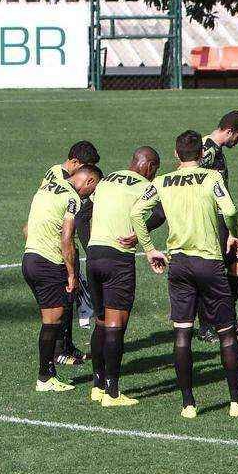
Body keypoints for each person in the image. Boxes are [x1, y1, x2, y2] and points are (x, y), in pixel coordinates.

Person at [135, 130, 238, 418]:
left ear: (176, 155)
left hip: (179, 265)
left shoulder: (162, 181)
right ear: (201, 154)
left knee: (183, 333)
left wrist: (150, 248)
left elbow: (137, 212)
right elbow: (230, 209)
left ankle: (188, 403)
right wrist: (234, 235)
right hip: (210, 264)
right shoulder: (212, 177)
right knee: (226, 332)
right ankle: (236, 402)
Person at [84, 146, 162, 407]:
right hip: (118, 258)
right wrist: (142, 233)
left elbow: (87, 211)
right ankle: (113, 392)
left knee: (101, 321)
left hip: (94, 254)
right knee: (116, 326)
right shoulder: (146, 187)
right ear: (149, 167)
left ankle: (97, 385)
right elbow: (161, 213)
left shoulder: (105, 180)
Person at [22, 163, 100, 392]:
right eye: (92, 190)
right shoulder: (72, 198)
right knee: (52, 320)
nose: (89, 195)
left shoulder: (45, 189)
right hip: (49, 263)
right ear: (89, 181)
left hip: (29, 259)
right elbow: (67, 239)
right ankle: (45, 377)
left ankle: (48, 374)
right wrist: (72, 274)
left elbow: (27, 228)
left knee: (49, 318)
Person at [40, 140, 101, 366]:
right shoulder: (59, 177)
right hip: (55, 247)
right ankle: (58, 351)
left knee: (69, 297)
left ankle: (66, 345)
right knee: (62, 298)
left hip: (62, 242)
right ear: (74, 162)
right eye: (83, 168)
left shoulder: (57, 173)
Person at [198, 110, 238, 341]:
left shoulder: (213, 148)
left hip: (223, 218)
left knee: (237, 265)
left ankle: (227, 318)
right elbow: (187, 173)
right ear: (229, 131)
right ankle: (206, 325)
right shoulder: (207, 150)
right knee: (212, 271)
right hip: (211, 219)